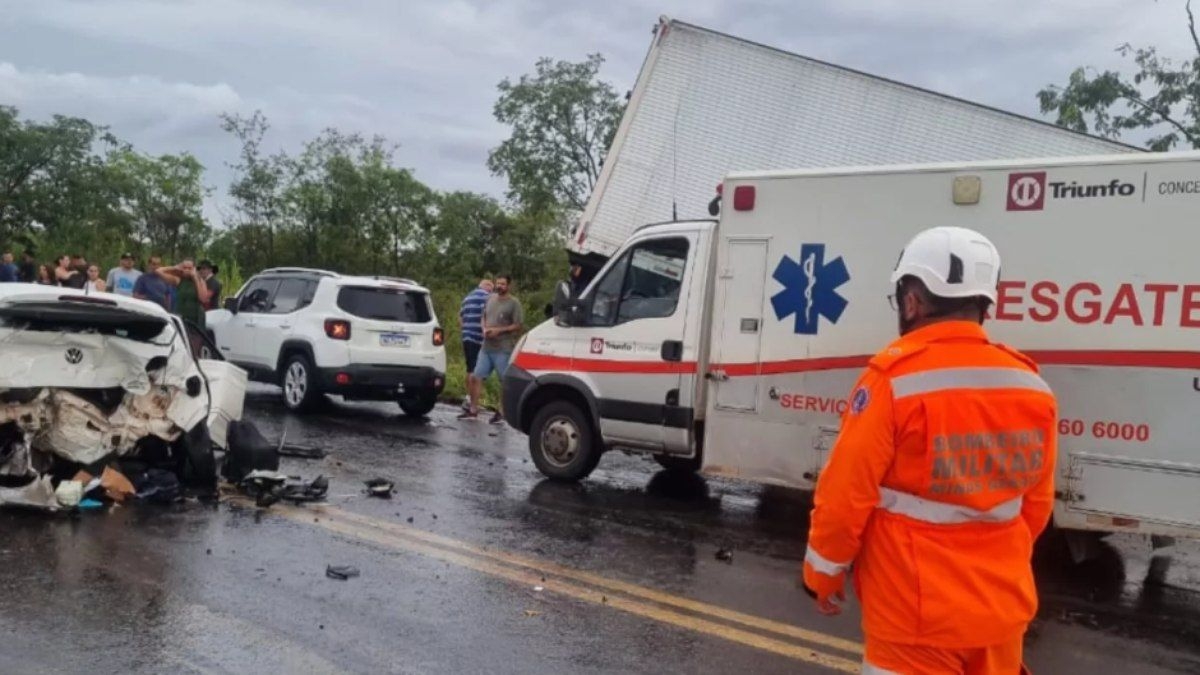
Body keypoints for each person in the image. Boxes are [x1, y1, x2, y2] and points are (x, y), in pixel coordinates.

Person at [800, 226, 1057, 675]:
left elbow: (845, 495)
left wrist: (823, 573)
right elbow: (1034, 507)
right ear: (984, 303)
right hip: (1001, 614)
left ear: (912, 300)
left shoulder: (892, 381)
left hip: (913, 619)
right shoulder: (1032, 386)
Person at [459, 275, 523, 423]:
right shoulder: (490, 299)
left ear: (509, 286)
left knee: (503, 380)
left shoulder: (514, 303)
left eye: (503, 284)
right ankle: (473, 410)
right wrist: (484, 329)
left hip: (503, 348)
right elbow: (483, 316)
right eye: (498, 283)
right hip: (486, 346)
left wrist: (499, 331)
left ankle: (501, 412)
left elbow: (518, 325)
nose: (499, 286)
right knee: (476, 376)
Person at [458, 278, 493, 409]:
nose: (492, 291)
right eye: (492, 288)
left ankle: (468, 398)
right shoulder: (487, 297)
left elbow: (460, 317)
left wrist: (465, 329)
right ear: (488, 287)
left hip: (466, 336)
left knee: (470, 368)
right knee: (477, 371)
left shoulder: (467, 298)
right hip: (478, 337)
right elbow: (489, 315)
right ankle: (473, 403)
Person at [156, 257, 210, 329]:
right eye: (185, 268)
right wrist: (174, 267)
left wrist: (195, 278)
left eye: (189, 268)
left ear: (194, 269)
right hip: (181, 317)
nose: (187, 270)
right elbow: (158, 271)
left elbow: (203, 299)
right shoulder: (178, 280)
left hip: (196, 319)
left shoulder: (200, 281)